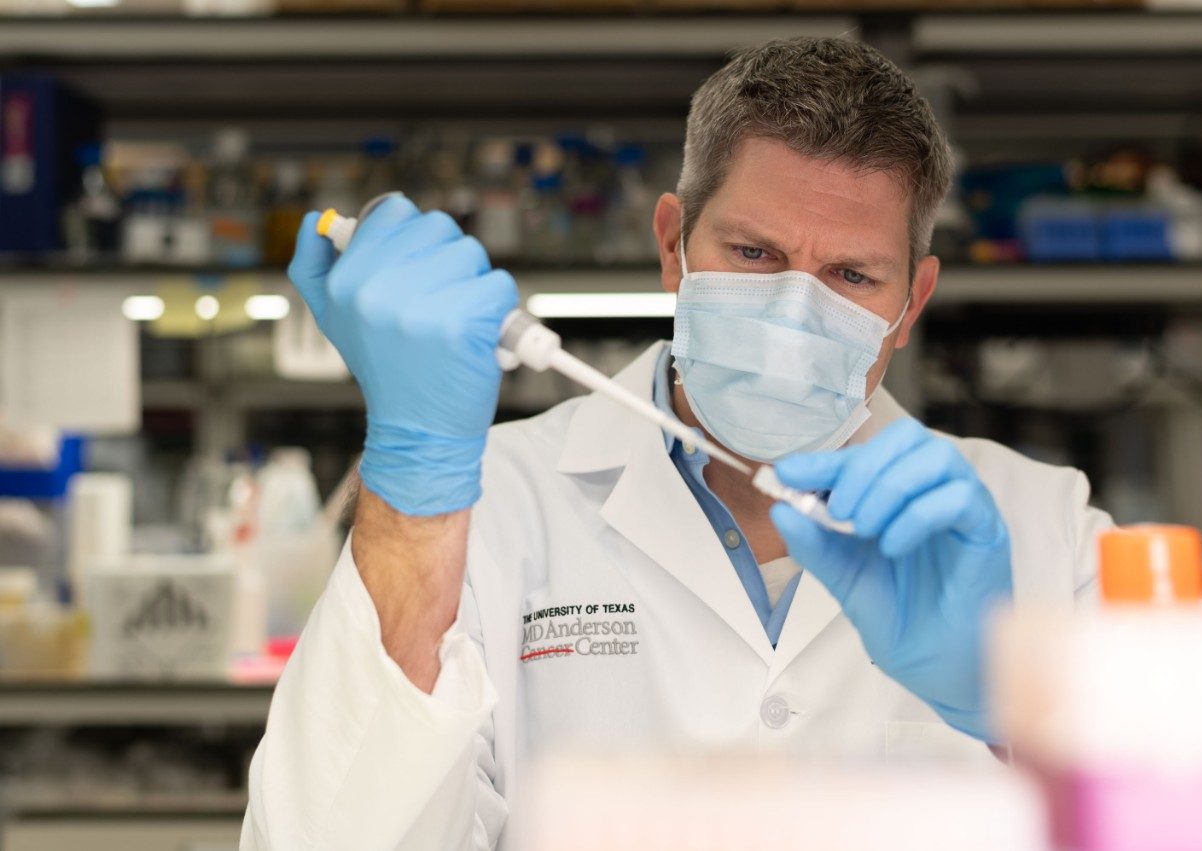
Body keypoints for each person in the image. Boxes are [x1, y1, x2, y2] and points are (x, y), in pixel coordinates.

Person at [242, 36, 1109, 850]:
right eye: (755, 252)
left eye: (852, 275)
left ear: (912, 301)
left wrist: (1004, 711)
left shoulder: (1047, 528)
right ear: (672, 244)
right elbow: (320, 836)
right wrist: (415, 491)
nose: (793, 315)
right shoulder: (491, 504)